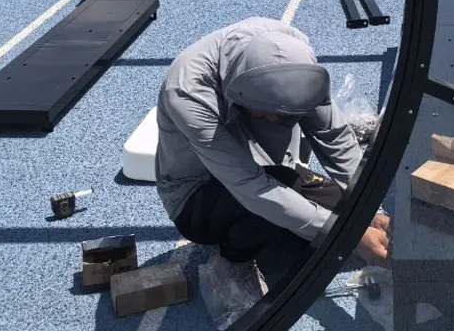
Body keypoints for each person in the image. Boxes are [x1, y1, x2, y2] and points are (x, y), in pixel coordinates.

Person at [155, 16, 390, 269]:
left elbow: (333, 136)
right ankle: (239, 247)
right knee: (298, 231)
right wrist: (348, 235)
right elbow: (251, 186)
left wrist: (371, 210)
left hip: (260, 168)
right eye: (271, 114)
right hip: (198, 194)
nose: (280, 122)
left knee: (343, 206)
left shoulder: (294, 53)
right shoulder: (187, 93)